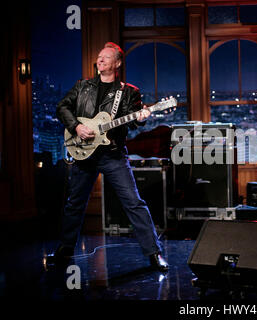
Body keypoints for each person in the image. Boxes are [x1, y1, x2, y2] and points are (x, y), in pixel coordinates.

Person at [48, 42, 168, 272]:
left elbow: (131, 123)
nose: (100, 60)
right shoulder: (82, 86)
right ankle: (64, 250)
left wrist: (141, 117)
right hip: (84, 154)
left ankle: (154, 253)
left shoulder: (129, 92)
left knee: (134, 203)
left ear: (117, 63)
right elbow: (62, 107)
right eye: (99, 57)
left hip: (112, 154)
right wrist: (76, 127)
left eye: (106, 57)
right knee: (75, 204)